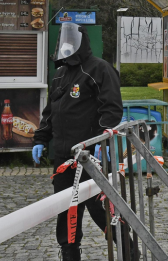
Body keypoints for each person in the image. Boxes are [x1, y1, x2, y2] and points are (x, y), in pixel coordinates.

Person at [31, 23, 123, 261]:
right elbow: (51, 112)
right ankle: (69, 254)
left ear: (82, 42)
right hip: (64, 157)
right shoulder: (60, 74)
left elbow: (111, 109)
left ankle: (127, 247)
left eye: (71, 41)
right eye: (64, 41)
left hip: (90, 156)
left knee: (100, 208)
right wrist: (41, 138)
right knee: (66, 209)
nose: (67, 46)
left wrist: (102, 141)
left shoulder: (99, 69)